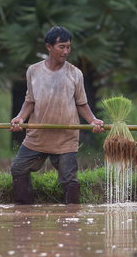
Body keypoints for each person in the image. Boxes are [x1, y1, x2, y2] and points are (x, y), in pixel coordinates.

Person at [9, 26, 105, 205]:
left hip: (65, 137)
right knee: (18, 168)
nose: (66, 51)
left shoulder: (75, 73)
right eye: (62, 47)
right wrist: (21, 118)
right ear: (49, 47)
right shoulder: (34, 71)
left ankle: (71, 216)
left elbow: (81, 103)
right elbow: (30, 100)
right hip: (38, 135)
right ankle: (23, 212)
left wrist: (93, 120)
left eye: (68, 47)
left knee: (69, 178)